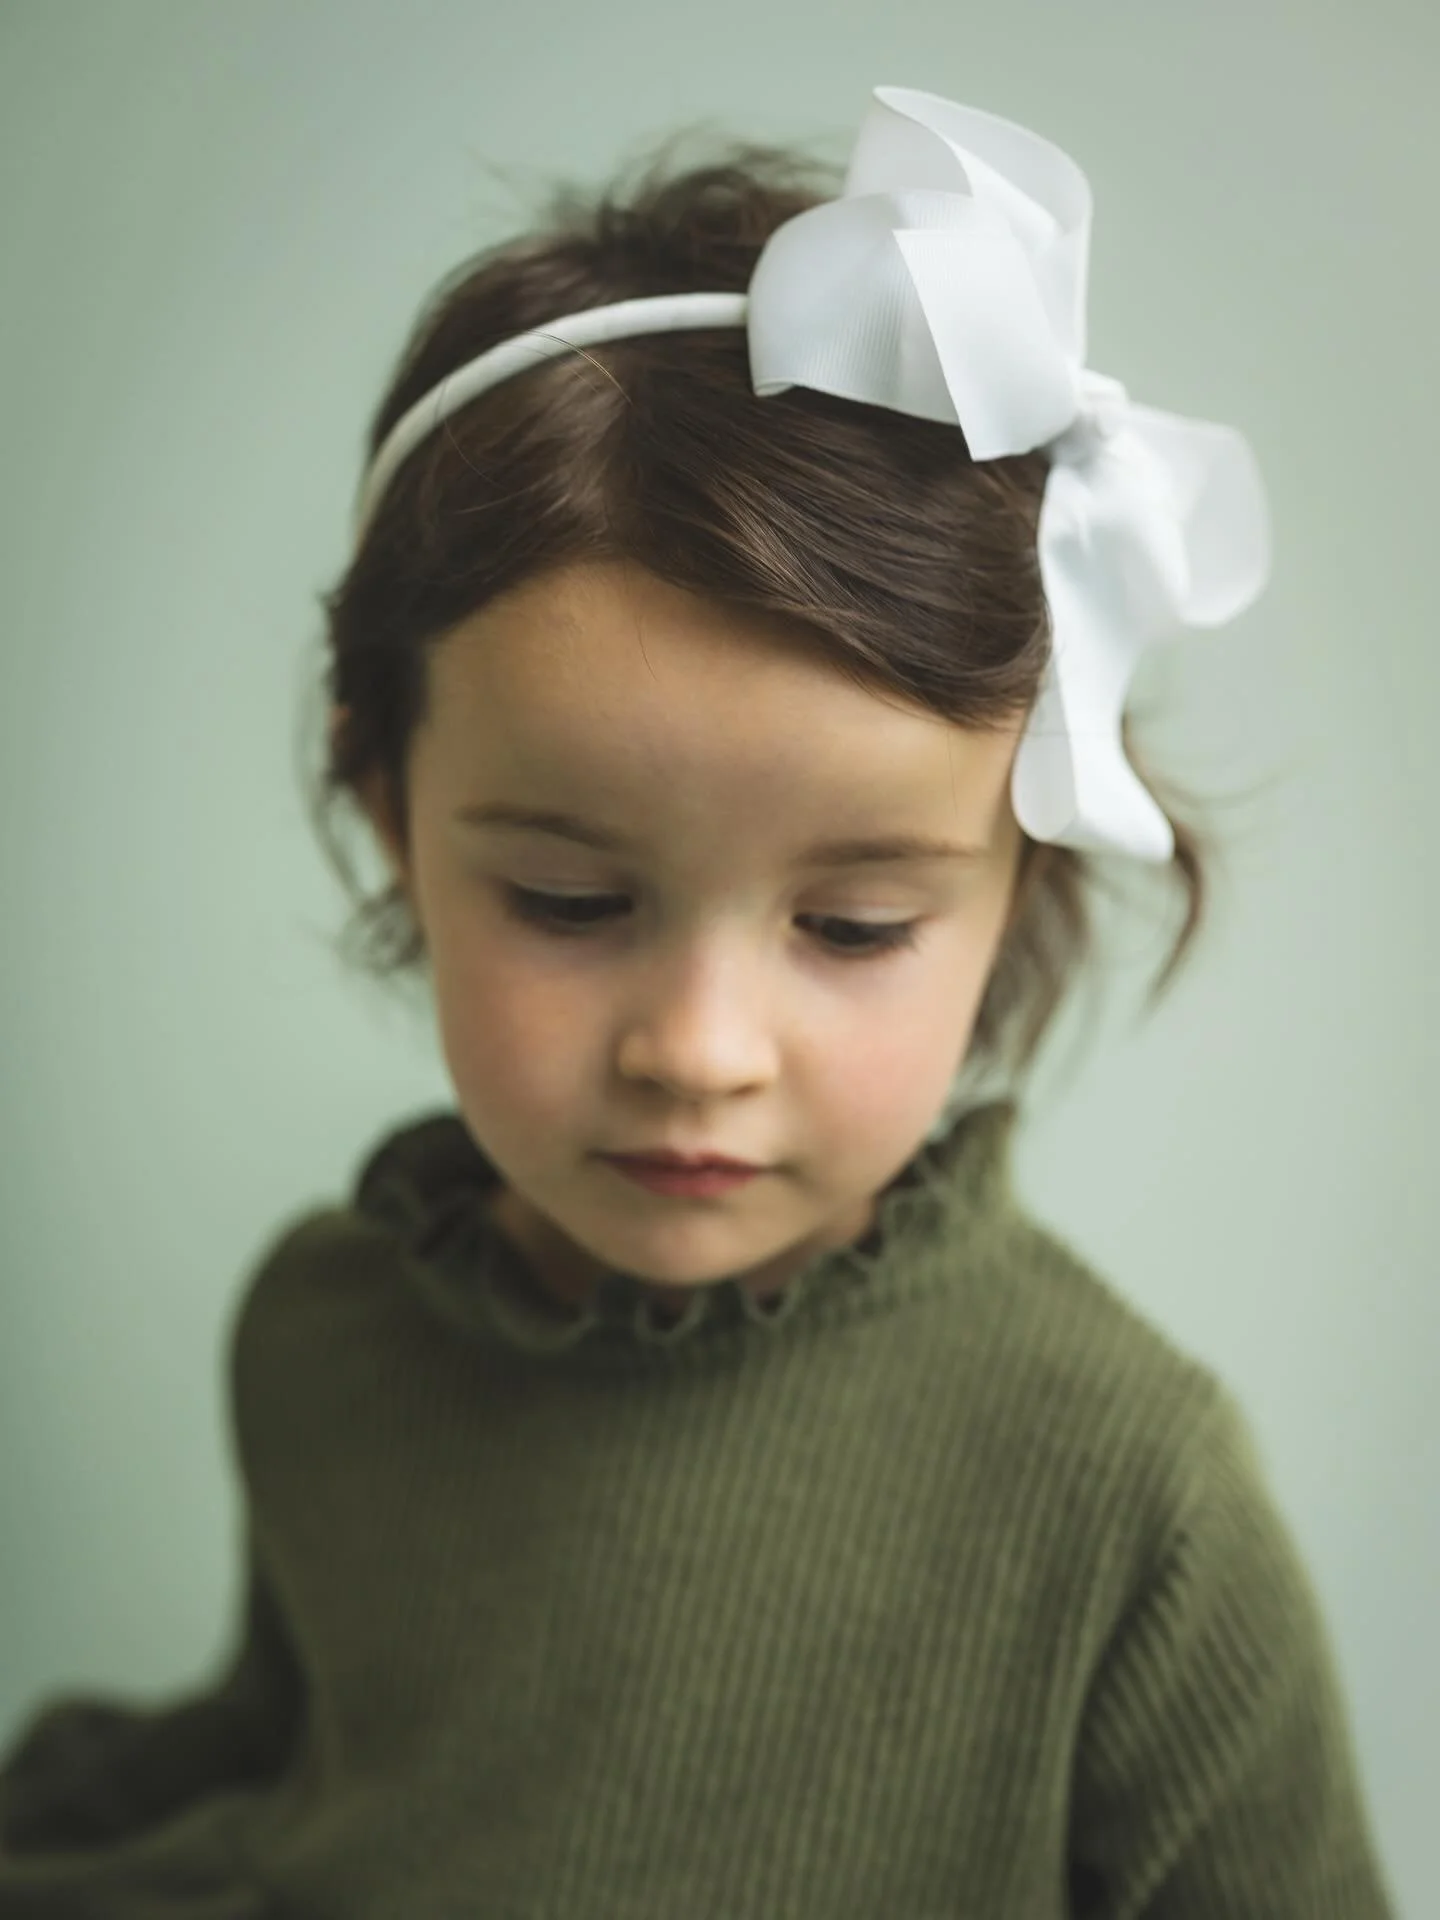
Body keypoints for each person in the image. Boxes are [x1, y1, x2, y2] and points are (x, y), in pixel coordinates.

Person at [0, 84, 1398, 1918]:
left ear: (1017, 886)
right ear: (387, 809)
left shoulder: (1128, 1502)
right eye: (573, 900)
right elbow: (320, 1783)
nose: (699, 1051)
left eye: (854, 924)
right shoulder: (328, 1336)